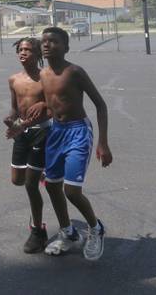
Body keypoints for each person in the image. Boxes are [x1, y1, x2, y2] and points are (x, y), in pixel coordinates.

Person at [39, 26, 112, 261]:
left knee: (71, 190)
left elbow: (101, 105)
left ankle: (95, 227)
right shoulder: (42, 75)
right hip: (55, 133)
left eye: (53, 41)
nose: (47, 45)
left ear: (66, 47)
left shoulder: (75, 72)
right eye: (44, 41)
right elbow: (46, 107)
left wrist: (103, 142)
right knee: (51, 186)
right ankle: (68, 232)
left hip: (78, 132)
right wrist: (20, 123)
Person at [4, 38, 50, 253]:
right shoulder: (13, 79)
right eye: (20, 50)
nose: (23, 53)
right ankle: (39, 173)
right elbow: (15, 109)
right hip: (21, 132)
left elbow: (57, 106)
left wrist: (44, 103)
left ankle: (37, 230)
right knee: (17, 180)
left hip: (42, 131)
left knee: (30, 186)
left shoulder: (47, 78)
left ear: (38, 54)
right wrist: (10, 121)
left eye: (28, 50)